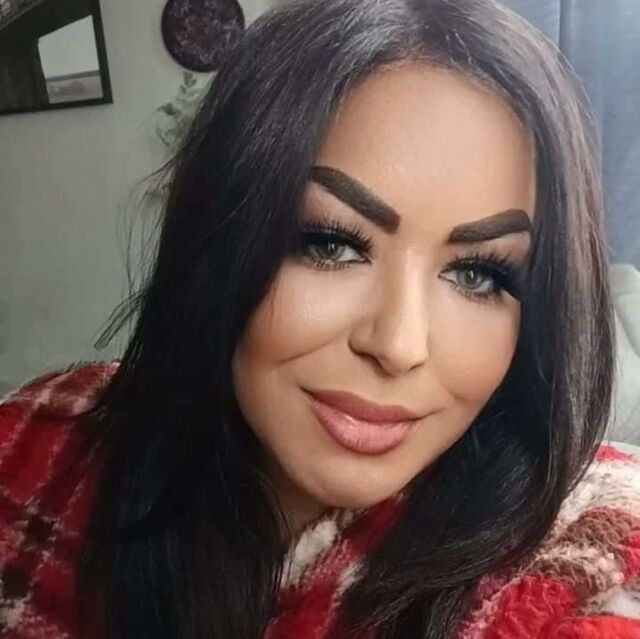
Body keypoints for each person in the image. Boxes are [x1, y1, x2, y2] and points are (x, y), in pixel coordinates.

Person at [1, 0, 639, 637]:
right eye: (330, 243)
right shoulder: (33, 445)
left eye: (478, 275)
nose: (399, 345)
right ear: (212, 238)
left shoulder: (595, 555)